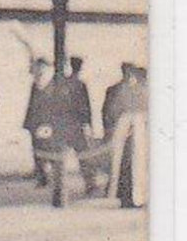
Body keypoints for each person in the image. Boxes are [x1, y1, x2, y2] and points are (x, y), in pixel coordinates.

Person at [103, 63, 148, 209]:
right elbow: (113, 111)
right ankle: (125, 198)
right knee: (125, 167)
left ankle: (138, 198)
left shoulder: (144, 91)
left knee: (139, 166)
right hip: (125, 135)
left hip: (140, 135)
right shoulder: (122, 90)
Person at [62, 55, 101, 196]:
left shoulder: (65, 83)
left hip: (66, 126)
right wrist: (89, 126)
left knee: (65, 158)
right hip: (77, 127)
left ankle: (62, 188)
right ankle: (90, 184)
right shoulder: (80, 84)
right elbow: (86, 108)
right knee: (84, 157)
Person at [22, 57, 52, 187]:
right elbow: (31, 105)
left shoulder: (48, 85)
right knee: (37, 151)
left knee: (47, 150)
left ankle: (45, 177)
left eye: (40, 68)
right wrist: (28, 123)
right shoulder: (35, 85)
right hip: (35, 123)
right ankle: (41, 176)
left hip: (46, 124)